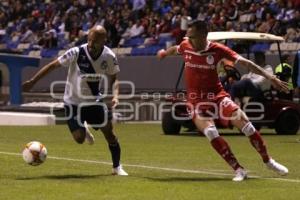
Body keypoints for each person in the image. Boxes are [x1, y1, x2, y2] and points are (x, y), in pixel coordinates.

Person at [157, 20, 289, 181]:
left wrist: (270, 77)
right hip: (195, 100)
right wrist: (164, 53)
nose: (187, 38)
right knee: (211, 132)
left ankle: (269, 161)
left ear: (202, 35)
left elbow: (246, 63)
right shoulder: (186, 45)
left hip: (218, 96)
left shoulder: (217, 49)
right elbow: (174, 49)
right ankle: (239, 170)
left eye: (191, 35)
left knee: (247, 126)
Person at [23, 25, 128, 176]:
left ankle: (117, 167)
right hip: (72, 102)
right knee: (79, 139)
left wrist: (115, 95)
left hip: (93, 101)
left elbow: (114, 79)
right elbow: (53, 66)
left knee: (109, 133)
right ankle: (83, 128)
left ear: (104, 41)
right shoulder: (77, 52)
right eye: (89, 39)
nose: (91, 43)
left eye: (95, 41)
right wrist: (33, 81)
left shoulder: (109, 56)